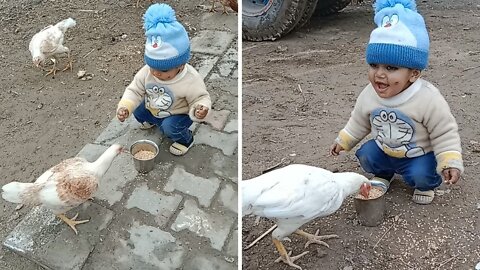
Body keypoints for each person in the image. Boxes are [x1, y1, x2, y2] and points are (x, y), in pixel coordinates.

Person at [330, 0, 463, 204]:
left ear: (414, 74)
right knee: (366, 154)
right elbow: (359, 121)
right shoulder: (369, 94)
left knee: (422, 173)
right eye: (374, 65)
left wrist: (450, 161)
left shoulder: (427, 98)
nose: (379, 74)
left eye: (391, 68)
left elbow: (444, 131)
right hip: (386, 150)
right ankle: (384, 174)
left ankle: (425, 184)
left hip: (419, 155)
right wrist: (343, 141)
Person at [116, 3, 211, 156]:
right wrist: (125, 107)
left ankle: (186, 140)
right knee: (138, 108)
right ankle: (152, 120)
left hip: (178, 114)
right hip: (154, 108)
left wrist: (200, 109)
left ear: (181, 65)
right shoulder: (148, 71)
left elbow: (201, 97)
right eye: (152, 66)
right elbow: (134, 90)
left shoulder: (190, 78)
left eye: (164, 70)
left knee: (170, 128)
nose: (155, 73)